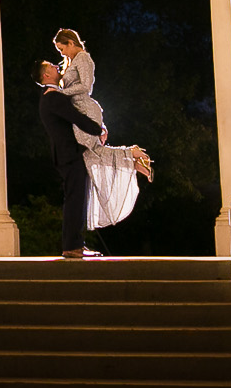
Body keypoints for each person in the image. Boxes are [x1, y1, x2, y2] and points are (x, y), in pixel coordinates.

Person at [39, 29, 155, 259]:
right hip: (78, 121)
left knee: (94, 153)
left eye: (62, 49)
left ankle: (133, 158)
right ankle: (133, 158)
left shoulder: (83, 60)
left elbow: (86, 87)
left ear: (71, 43)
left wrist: (63, 91)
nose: (61, 56)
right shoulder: (60, 83)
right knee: (94, 155)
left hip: (84, 111)